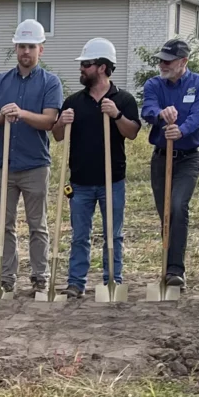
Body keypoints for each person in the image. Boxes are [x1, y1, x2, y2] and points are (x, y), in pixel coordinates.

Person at [51, 37, 139, 298]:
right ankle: (76, 282)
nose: (82, 69)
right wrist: (61, 122)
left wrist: (117, 116)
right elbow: (57, 136)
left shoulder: (122, 99)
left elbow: (132, 133)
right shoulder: (73, 101)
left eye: (86, 64)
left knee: (113, 235)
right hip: (79, 182)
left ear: (102, 67)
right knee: (80, 235)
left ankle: (112, 280)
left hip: (113, 181)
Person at [0, 18, 63, 295]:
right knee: (4, 225)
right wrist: (3, 114)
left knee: (37, 223)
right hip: (3, 165)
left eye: (30, 46)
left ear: (41, 49)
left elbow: (50, 121)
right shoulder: (1, 81)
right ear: (15, 49)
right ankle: (7, 277)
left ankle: (40, 275)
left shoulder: (50, 83)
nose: (25, 51)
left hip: (35, 165)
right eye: (21, 46)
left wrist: (22, 114)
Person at [139, 37, 199, 290]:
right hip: (161, 158)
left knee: (178, 206)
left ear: (183, 61)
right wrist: (160, 114)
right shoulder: (153, 84)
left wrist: (180, 130)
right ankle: (166, 266)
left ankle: (175, 270)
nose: (163, 64)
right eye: (161, 60)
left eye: (168, 61)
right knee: (165, 213)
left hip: (188, 158)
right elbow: (147, 108)